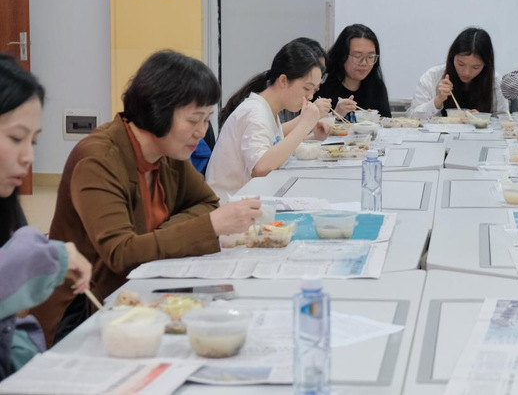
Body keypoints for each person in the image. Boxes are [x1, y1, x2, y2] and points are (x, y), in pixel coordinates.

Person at [32, 51, 261, 346]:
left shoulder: (168, 152)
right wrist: (209, 226)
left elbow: (206, 203)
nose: (202, 132)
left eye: (206, 120)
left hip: (142, 289)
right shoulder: (98, 160)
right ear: (157, 112)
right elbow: (121, 253)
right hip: (85, 312)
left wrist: (158, 235)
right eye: (194, 119)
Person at [0, 55, 92, 379]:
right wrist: (50, 257)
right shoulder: (97, 155)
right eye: (16, 138)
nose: (29, 157)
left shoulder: (6, 205)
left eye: (34, 141)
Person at [208, 41, 325, 200]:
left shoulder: (268, 110)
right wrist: (304, 124)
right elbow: (261, 167)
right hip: (229, 205)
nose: (310, 96)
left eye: (314, 90)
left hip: (248, 201)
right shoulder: (255, 112)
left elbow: (277, 150)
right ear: (283, 80)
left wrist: (313, 137)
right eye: (307, 88)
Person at [408, 28, 508, 118]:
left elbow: (504, 119)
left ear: (486, 65)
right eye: (461, 64)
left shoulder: (495, 82)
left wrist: (483, 118)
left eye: (475, 67)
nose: (466, 72)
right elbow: (413, 117)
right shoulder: (432, 76)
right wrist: (438, 100)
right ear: (452, 57)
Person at [316, 24, 391, 119]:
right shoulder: (322, 84)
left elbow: (387, 123)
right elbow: (307, 123)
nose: (364, 63)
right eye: (357, 56)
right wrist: (335, 115)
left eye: (370, 57)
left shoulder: (376, 87)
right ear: (342, 55)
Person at [278, 37, 333, 124]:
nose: (310, 97)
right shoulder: (264, 103)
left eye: (321, 74)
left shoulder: (295, 96)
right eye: (307, 88)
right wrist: (308, 118)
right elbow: (279, 132)